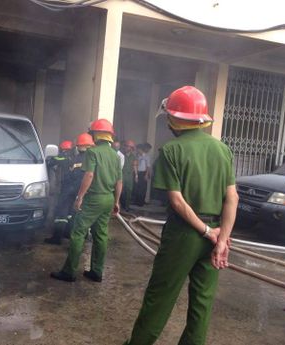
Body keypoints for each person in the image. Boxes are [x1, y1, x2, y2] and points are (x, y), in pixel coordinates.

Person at [123, 85, 239, 345]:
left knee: (160, 297)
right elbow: (232, 197)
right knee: (202, 302)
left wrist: (206, 232)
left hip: (184, 234)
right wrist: (221, 239)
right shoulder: (223, 150)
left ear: (174, 118)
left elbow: (176, 201)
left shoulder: (171, 151)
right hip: (216, 232)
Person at [50, 119, 122, 283]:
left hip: (93, 199)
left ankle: (69, 272)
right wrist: (117, 201)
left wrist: (80, 197)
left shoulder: (93, 152)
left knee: (78, 233)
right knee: (101, 235)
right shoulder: (115, 156)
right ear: (110, 136)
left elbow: (89, 175)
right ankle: (96, 271)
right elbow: (119, 181)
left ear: (95, 135)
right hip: (108, 199)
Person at [44, 133, 95, 245]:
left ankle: (57, 238)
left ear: (79, 146)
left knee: (61, 213)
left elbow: (52, 161)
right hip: (83, 191)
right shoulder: (92, 159)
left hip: (68, 189)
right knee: (74, 214)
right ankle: (73, 235)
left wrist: (48, 160)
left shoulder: (68, 157)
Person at [120, 140, 138, 212]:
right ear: (124, 146)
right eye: (127, 146)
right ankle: (120, 205)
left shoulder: (133, 156)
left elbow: (135, 166)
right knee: (121, 191)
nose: (128, 148)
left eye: (130, 147)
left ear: (132, 148)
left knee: (129, 191)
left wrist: (136, 175)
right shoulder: (120, 155)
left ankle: (127, 207)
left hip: (130, 176)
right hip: (121, 175)